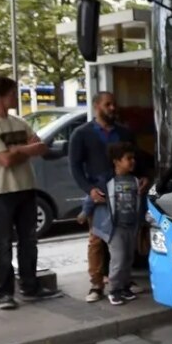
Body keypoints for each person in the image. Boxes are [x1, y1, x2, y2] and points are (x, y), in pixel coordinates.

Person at [0, 76, 62, 309]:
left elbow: (41, 147)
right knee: (3, 243)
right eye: (12, 93)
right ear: (1, 96)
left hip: (26, 187)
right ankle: (4, 292)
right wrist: (24, 150)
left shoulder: (18, 122)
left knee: (29, 241)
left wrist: (18, 149)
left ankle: (30, 286)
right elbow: (4, 160)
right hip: (1, 191)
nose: (16, 96)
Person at [69, 92, 145, 303]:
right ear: (96, 106)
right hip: (100, 193)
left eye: (114, 104)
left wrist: (143, 177)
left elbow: (136, 156)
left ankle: (123, 281)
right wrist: (89, 189)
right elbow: (75, 166)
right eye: (107, 104)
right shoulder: (81, 134)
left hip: (124, 191)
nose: (113, 108)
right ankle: (96, 283)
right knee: (97, 238)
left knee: (125, 242)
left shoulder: (124, 132)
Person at [85, 142, 144, 306]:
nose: (133, 161)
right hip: (114, 227)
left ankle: (125, 286)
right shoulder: (107, 180)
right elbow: (92, 196)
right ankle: (114, 290)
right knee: (118, 259)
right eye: (128, 158)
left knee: (128, 258)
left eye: (133, 158)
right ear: (116, 161)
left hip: (131, 225)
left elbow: (140, 201)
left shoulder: (136, 180)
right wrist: (84, 212)